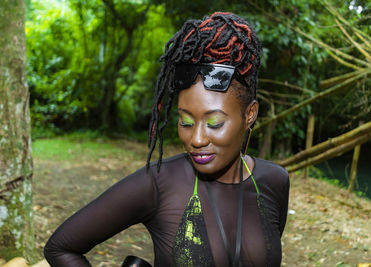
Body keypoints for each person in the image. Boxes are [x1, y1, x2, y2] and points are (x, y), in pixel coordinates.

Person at [44, 12, 290, 267]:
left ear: (250, 114)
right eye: (185, 121)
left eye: (214, 123)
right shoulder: (160, 183)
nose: (196, 139)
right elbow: (61, 248)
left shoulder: (274, 181)